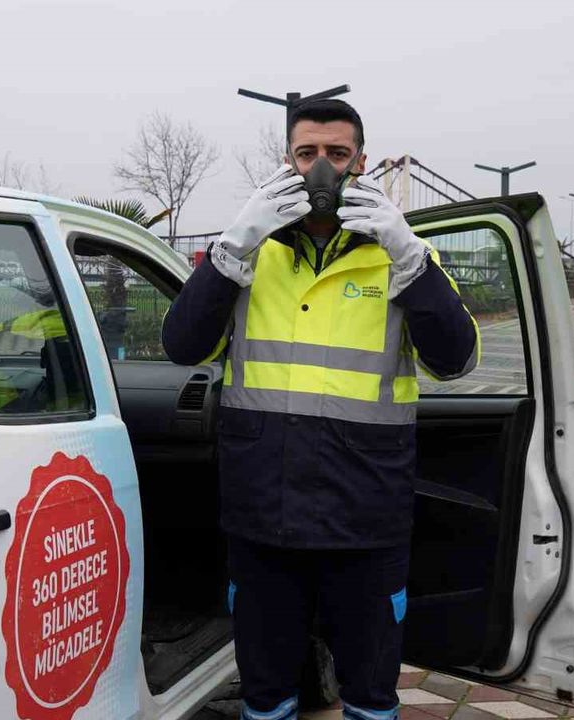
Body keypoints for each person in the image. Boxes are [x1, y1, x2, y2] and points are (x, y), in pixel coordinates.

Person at [162, 99, 480, 720]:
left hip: (365, 516)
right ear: (287, 161)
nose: (321, 169)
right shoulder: (249, 255)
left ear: (360, 162)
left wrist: (408, 253)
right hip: (264, 514)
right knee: (265, 693)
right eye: (307, 154)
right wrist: (234, 242)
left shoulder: (400, 255)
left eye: (337, 154)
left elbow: (456, 360)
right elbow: (182, 345)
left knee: (370, 693)